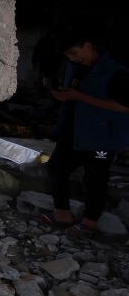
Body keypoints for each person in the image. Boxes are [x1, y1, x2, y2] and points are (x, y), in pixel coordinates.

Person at [42, 29, 129, 237]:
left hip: (102, 135)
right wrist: (64, 95)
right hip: (74, 130)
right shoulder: (75, 66)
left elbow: (124, 107)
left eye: (75, 52)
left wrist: (79, 96)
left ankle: (89, 223)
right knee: (56, 167)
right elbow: (74, 93)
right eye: (69, 56)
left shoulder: (115, 72)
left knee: (95, 178)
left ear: (88, 45)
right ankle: (62, 214)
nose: (74, 58)